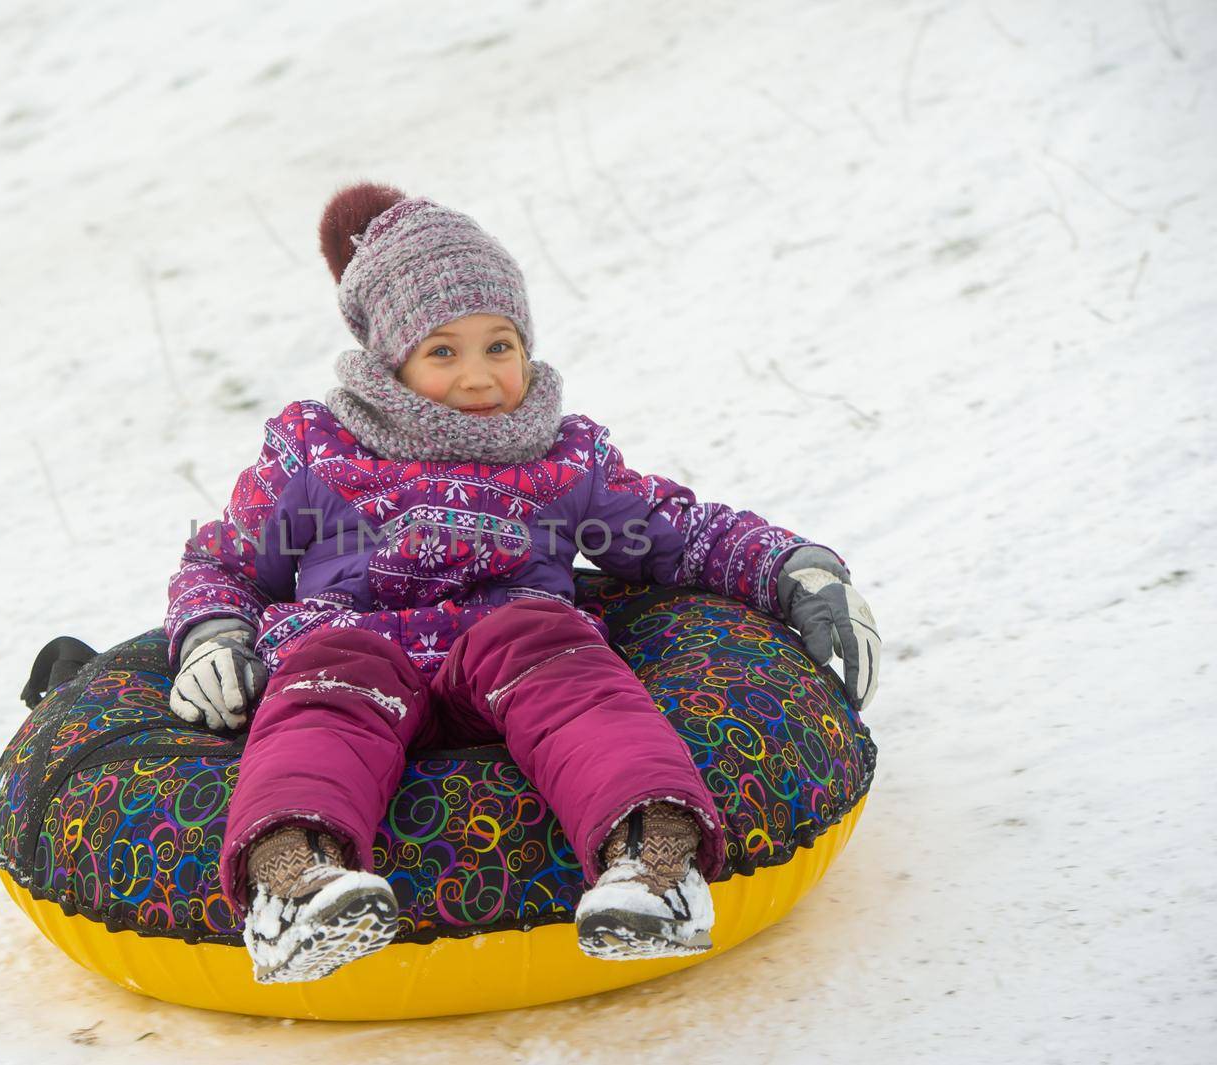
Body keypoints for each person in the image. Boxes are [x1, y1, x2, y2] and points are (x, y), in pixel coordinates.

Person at [163, 183, 881, 984]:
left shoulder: (560, 457)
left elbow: (678, 532)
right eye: (443, 351)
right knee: (324, 681)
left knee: (558, 651)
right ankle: (296, 881)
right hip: (357, 648)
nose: (479, 377)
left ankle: (654, 863)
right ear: (390, 359)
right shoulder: (317, 450)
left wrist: (797, 568)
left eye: (499, 345)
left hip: (509, 651)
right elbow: (226, 559)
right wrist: (212, 635)